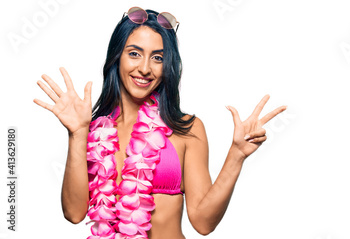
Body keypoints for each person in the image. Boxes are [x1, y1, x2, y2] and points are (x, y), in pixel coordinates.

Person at [33, 6, 287, 239]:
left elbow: (203, 222)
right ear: (116, 57)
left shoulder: (186, 129)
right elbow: (74, 214)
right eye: (134, 54)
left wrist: (237, 155)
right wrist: (77, 133)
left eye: (157, 58)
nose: (145, 68)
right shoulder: (94, 130)